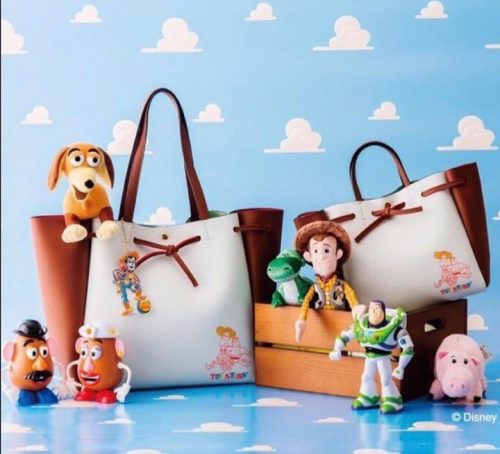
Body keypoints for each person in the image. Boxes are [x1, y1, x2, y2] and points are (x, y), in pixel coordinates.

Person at [329, 300, 414, 414]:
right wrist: (337, 349)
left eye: (377, 308)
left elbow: (408, 348)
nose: (373, 310)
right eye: (371, 308)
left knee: (386, 380)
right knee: (366, 377)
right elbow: (344, 336)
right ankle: (369, 397)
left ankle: (393, 400)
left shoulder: (394, 329)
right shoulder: (360, 325)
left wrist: (401, 366)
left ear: (383, 312)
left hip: (383, 357)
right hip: (369, 356)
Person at [293, 210, 359, 343]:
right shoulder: (315, 286)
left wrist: (356, 307)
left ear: (338, 254)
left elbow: (350, 294)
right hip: (320, 328)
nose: (322, 256)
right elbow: (306, 302)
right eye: (316, 251)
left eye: (327, 250)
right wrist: (302, 320)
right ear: (309, 256)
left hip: (341, 322)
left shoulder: (341, 284)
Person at [1, 320, 59, 406]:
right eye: (33, 354)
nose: (41, 366)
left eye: (44, 352)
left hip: (44, 392)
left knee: (49, 399)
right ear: (9, 352)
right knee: (26, 401)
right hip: (24, 394)